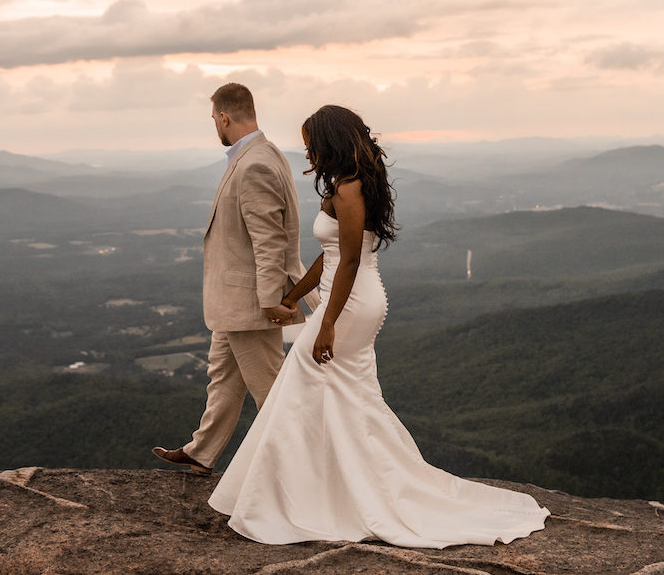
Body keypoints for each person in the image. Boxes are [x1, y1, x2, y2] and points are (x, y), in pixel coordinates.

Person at [208, 105, 550, 548]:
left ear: (329, 141)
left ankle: (306, 496)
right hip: (345, 298)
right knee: (344, 395)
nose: (306, 149)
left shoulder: (349, 191)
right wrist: (293, 298)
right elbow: (330, 257)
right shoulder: (347, 185)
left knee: (306, 380)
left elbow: (349, 260)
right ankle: (324, 489)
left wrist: (326, 323)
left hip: (349, 303)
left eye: (311, 141)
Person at [153, 83, 318, 475]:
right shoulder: (264, 152)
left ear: (224, 117)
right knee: (223, 375)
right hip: (235, 301)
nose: (215, 124)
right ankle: (202, 451)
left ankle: (305, 473)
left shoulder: (254, 163)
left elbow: (269, 240)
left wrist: (266, 301)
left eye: (214, 118)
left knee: (271, 390)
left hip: (249, 301)